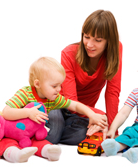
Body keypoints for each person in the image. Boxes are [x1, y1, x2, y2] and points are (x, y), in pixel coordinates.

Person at [0, 57, 107, 163]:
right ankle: (19, 150)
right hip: (19, 131)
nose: (59, 89)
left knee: (82, 133)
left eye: (60, 85)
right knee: (7, 140)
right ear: (37, 84)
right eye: (54, 86)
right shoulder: (25, 93)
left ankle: (49, 142)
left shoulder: (54, 98)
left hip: (39, 132)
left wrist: (91, 114)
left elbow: (75, 105)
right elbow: (6, 112)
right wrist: (28, 113)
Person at [45, 9, 123, 145]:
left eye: (98, 40)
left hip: (81, 114)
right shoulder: (68, 53)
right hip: (57, 104)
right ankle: (27, 124)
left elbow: (112, 92)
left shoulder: (116, 50)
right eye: (86, 37)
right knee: (54, 135)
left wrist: (112, 129)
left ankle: (46, 130)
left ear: (109, 41)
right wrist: (101, 116)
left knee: (84, 134)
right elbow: (70, 100)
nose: (89, 44)